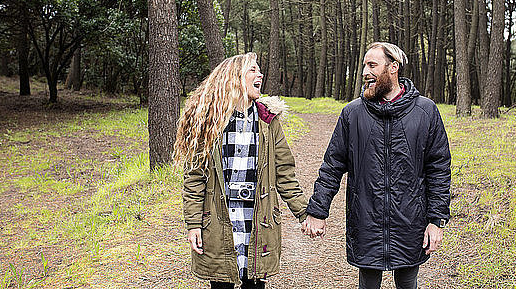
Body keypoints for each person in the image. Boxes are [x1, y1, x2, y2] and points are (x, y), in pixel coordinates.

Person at [303, 42, 451, 289]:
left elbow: (439, 170)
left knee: (407, 281)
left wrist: (436, 221)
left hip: (410, 221)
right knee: (368, 282)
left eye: (372, 65)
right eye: (364, 66)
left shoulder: (425, 111)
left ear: (393, 68)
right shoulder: (353, 113)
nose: (365, 72)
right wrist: (318, 211)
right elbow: (332, 166)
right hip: (365, 219)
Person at [175, 52, 308, 289]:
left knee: (254, 282)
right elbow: (194, 178)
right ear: (235, 78)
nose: (260, 75)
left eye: (259, 70)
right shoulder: (209, 121)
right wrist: (193, 223)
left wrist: (305, 214)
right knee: (222, 282)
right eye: (253, 70)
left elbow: (285, 173)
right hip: (219, 219)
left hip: (258, 218)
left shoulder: (269, 121)